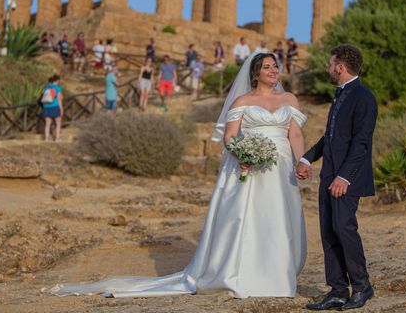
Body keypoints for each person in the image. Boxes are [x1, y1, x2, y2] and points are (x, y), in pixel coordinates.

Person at [48, 53, 308, 298]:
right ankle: (242, 275)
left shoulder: (290, 100)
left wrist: (302, 160)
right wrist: (243, 155)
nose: (273, 71)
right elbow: (230, 136)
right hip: (249, 167)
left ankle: (278, 276)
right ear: (255, 74)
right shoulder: (243, 101)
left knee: (278, 217)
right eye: (267, 67)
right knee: (249, 219)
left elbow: (294, 133)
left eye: (275, 66)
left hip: (281, 166)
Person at [296, 44, 378, 311]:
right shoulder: (340, 94)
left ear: (340, 67)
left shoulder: (363, 96)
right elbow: (331, 138)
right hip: (329, 176)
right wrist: (308, 157)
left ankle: (362, 286)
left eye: (330, 65)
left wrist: (344, 177)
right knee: (329, 231)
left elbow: (361, 143)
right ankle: (338, 290)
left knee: (344, 229)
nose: (328, 69)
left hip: (346, 180)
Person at [41, 75, 64, 142]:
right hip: (55, 106)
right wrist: (61, 109)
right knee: (58, 123)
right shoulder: (58, 88)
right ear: (57, 81)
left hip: (46, 107)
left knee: (47, 123)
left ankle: (46, 139)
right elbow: (59, 99)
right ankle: (57, 138)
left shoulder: (45, 88)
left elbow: (42, 95)